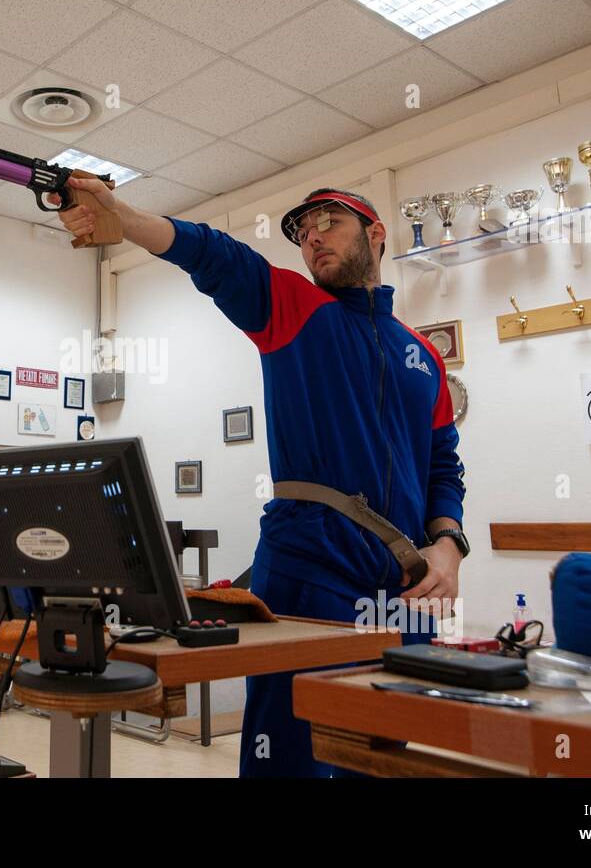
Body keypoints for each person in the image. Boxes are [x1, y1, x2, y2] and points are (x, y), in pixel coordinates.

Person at [51, 180, 467, 778]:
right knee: (290, 757)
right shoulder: (297, 310)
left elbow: (442, 465)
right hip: (309, 570)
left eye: (329, 221)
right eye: (301, 231)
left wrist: (449, 546)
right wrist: (130, 220)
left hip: (406, 591)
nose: (312, 236)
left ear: (376, 233)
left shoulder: (422, 355)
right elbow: (218, 257)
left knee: (380, 757)